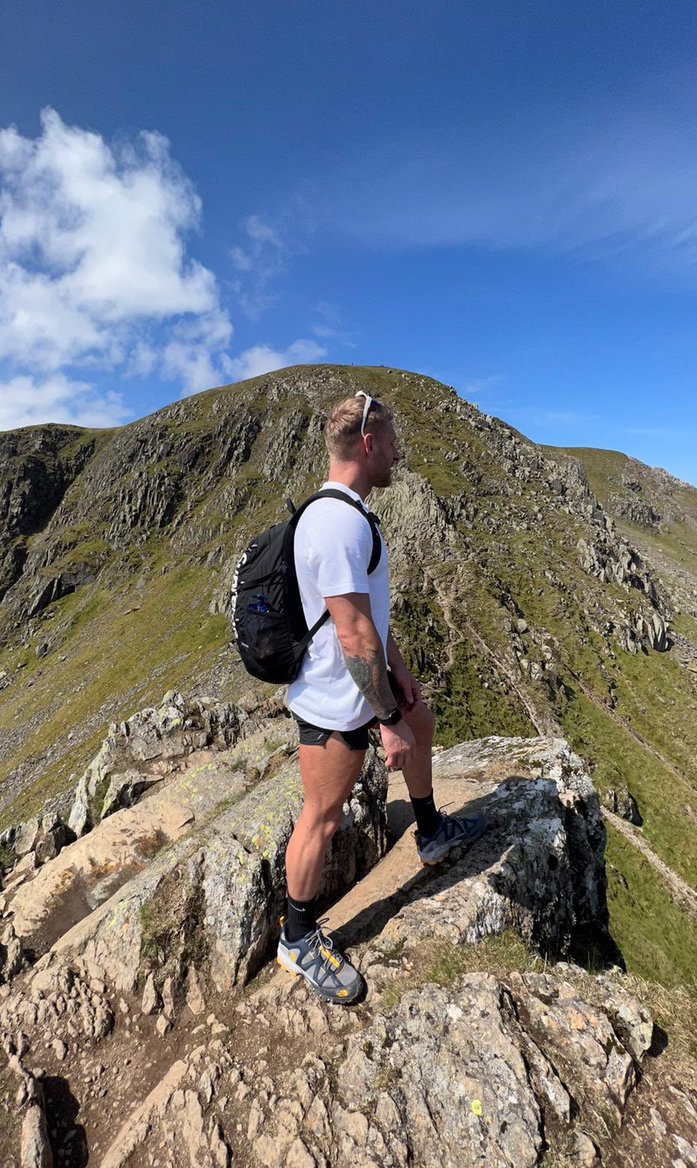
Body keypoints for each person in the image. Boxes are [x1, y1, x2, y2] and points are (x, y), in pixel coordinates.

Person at [277, 391, 487, 1004]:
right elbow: (350, 631)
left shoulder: (347, 512)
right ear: (369, 444)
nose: (399, 454)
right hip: (332, 701)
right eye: (392, 442)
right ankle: (296, 937)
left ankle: (429, 833)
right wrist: (386, 717)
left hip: (362, 680)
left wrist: (400, 675)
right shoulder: (339, 522)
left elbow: (370, 621)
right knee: (322, 816)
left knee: (424, 726)